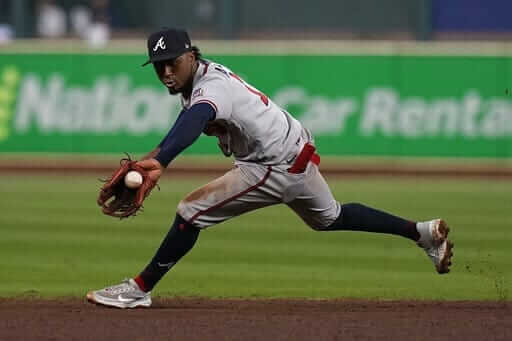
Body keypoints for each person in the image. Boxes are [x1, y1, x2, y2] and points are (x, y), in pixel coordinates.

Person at [86, 28, 454, 309]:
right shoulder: (199, 79)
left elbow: (197, 118)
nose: (167, 71)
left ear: (192, 55)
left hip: (271, 165)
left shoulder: (211, 87)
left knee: (190, 211)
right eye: (159, 66)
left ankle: (139, 289)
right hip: (297, 151)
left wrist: (161, 162)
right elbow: (187, 121)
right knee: (330, 217)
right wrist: (155, 155)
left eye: (174, 62)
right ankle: (421, 233)